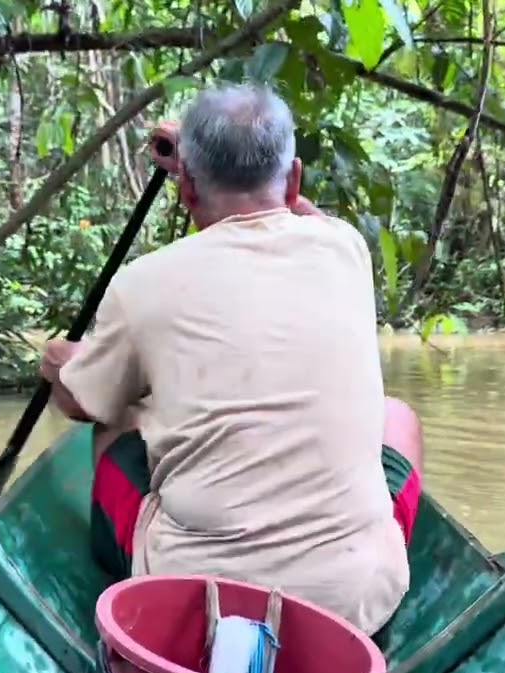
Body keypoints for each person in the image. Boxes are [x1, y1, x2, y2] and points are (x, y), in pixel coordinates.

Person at [37, 82, 425, 636]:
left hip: (192, 599)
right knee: (399, 419)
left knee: (117, 419)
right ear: (293, 179)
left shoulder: (142, 284)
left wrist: (61, 367)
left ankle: (133, 568)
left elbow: (80, 404)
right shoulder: (346, 248)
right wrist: (201, 165)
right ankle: (370, 589)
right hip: (357, 604)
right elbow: (301, 214)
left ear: (186, 186)